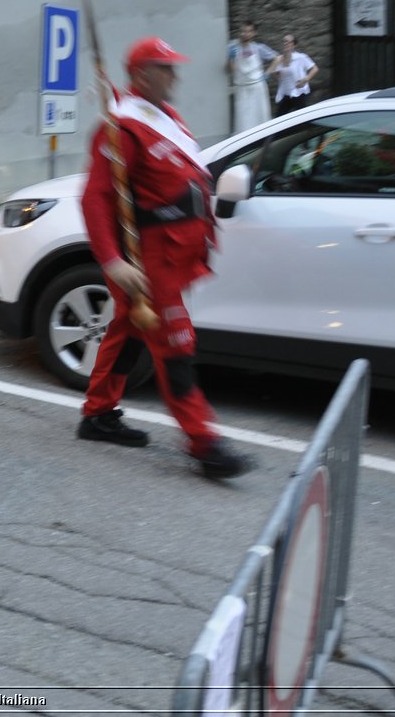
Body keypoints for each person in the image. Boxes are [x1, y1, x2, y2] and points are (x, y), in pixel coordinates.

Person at [77, 36, 249, 480]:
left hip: (174, 255)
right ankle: (204, 443)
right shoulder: (121, 127)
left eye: (173, 66)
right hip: (149, 260)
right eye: (165, 67)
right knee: (175, 347)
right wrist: (113, 261)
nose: (175, 74)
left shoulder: (164, 116)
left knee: (130, 329)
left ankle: (97, 413)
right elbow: (95, 199)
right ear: (141, 75)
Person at [225, 20, 275, 133]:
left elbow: (277, 58)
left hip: (257, 87)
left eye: (248, 31)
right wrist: (230, 59)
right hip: (242, 88)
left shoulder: (259, 48)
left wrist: (267, 73)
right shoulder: (234, 47)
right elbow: (230, 69)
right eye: (243, 31)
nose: (245, 34)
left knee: (260, 116)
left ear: (254, 33)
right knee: (243, 120)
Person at [270, 34, 319, 115]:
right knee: (279, 118)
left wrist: (306, 79)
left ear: (294, 45)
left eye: (288, 42)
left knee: (302, 118)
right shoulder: (280, 59)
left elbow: (315, 69)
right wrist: (275, 72)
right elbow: (278, 77)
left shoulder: (301, 57)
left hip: (299, 92)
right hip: (286, 93)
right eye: (284, 41)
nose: (286, 44)